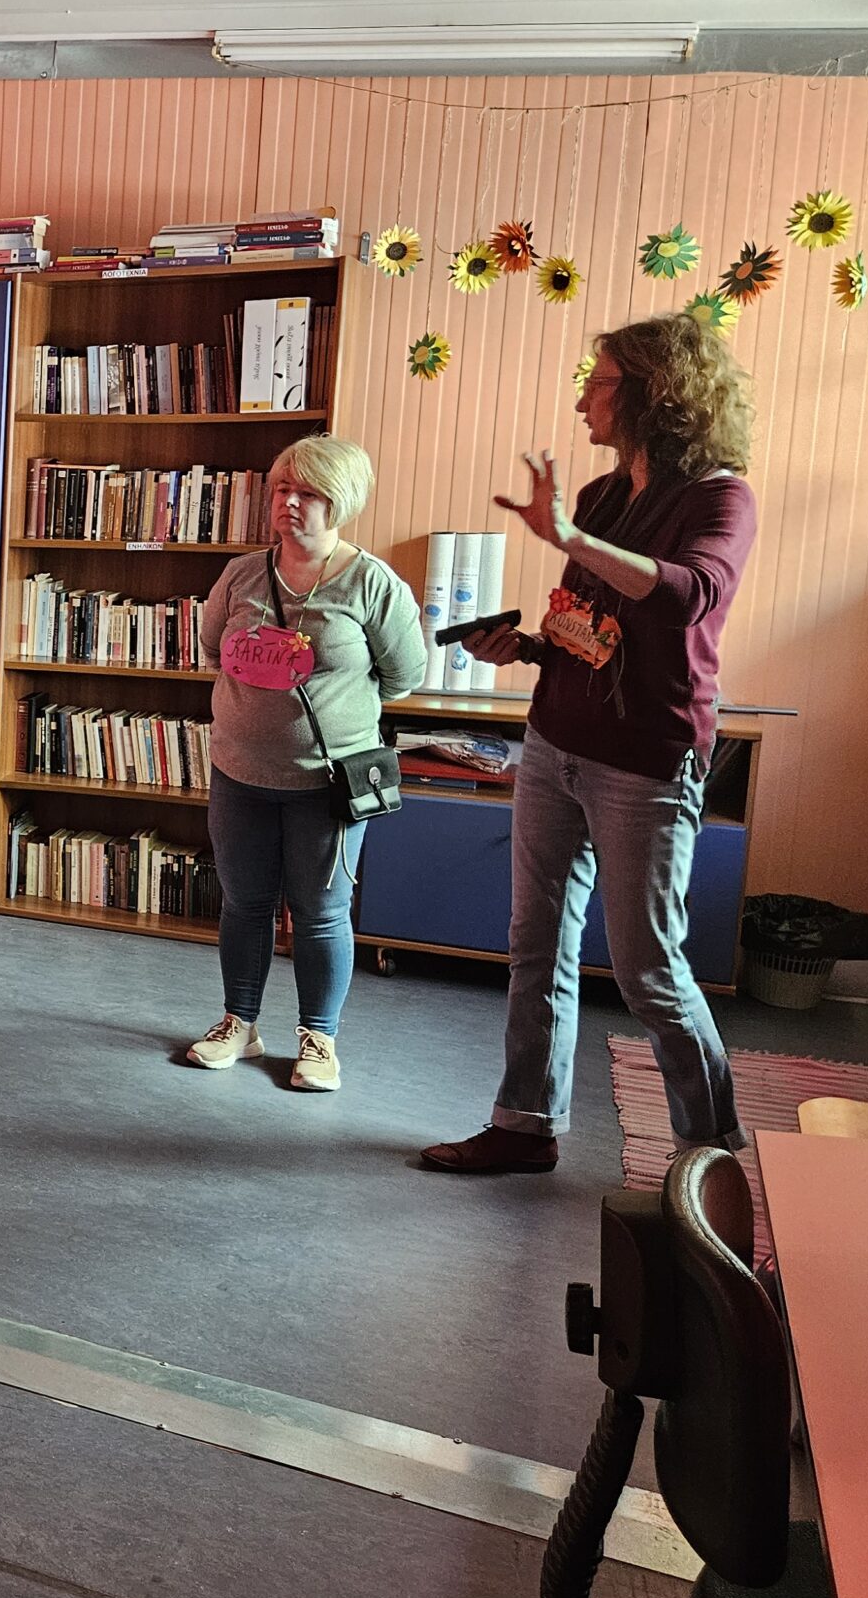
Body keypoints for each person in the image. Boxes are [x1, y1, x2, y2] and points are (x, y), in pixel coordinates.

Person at [423, 314, 757, 1174]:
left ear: (652, 392)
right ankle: (524, 1125)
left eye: (597, 384)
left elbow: (687, 595)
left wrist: (570, 538)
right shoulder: (608, 493)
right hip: (554, 742)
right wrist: (527, 649)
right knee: (536, 946)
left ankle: (712, 1158)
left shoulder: (721, 498)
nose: (582, 402)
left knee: (649, 971)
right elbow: (597, 630)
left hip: (644, 761)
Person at [188, 436, 425, 1092]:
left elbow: (403, 676)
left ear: (339, 501)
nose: (289, 502)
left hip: (326, 783)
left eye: (308, 492)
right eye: (281, 489)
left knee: (320, 913)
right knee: (244, 903)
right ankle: (239, 1024)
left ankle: (319, 1040)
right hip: (239, 773)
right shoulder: (241, 575)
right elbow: (212, 648)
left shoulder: (371, 583)